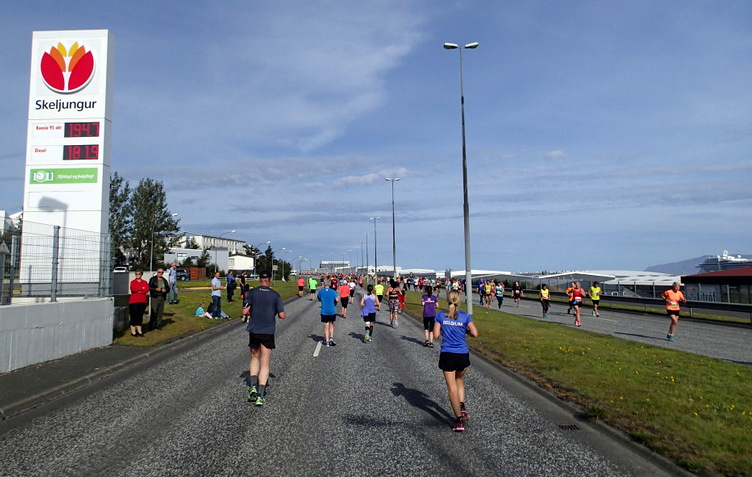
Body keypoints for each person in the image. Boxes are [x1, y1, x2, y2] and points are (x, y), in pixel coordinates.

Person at [433, 289, 478, 432]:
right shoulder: (465, 317)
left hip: (448, 353)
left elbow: (435, 335)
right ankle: (462, 406)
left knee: (451, 386)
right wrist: (465, 331)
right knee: (459, 380)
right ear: (459, 301)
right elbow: (475, 334)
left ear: (447, 300)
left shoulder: (440, 315)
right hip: (462, 354)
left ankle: (458, 420)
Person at [244, 271, 286, 406]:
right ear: (270, 280)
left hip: (254, 330)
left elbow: (244, 311)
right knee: (265, 362)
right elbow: (282, 315)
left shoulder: (251, 293)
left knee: (254, 358)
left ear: (259, 280)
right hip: (268, 331)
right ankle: (261, 395)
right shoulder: (275, 295)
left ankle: (253, 387)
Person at [318, 279, 339, 346]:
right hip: (331, 310)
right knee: (331, 324)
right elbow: (337, 300)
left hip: (324, 311)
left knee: (326, 326)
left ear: (324, 284)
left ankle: (327, 341)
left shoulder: (321, 291)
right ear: (330, 284)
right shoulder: (333, 291)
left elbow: (319, 298)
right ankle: (331, 338)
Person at [128, 269, 149, 337]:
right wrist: (141, 289)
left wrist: (140, 290)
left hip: (142, 301)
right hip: (134, 301)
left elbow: (146, 289)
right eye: (136, 274)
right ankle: (133, 331)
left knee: (140, 316)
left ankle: (139, 331)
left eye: (139, 274)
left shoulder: (144, 282)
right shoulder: (133, 282)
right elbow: (133, 289)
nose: (137, 275)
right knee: (134, 316)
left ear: (141, 274)